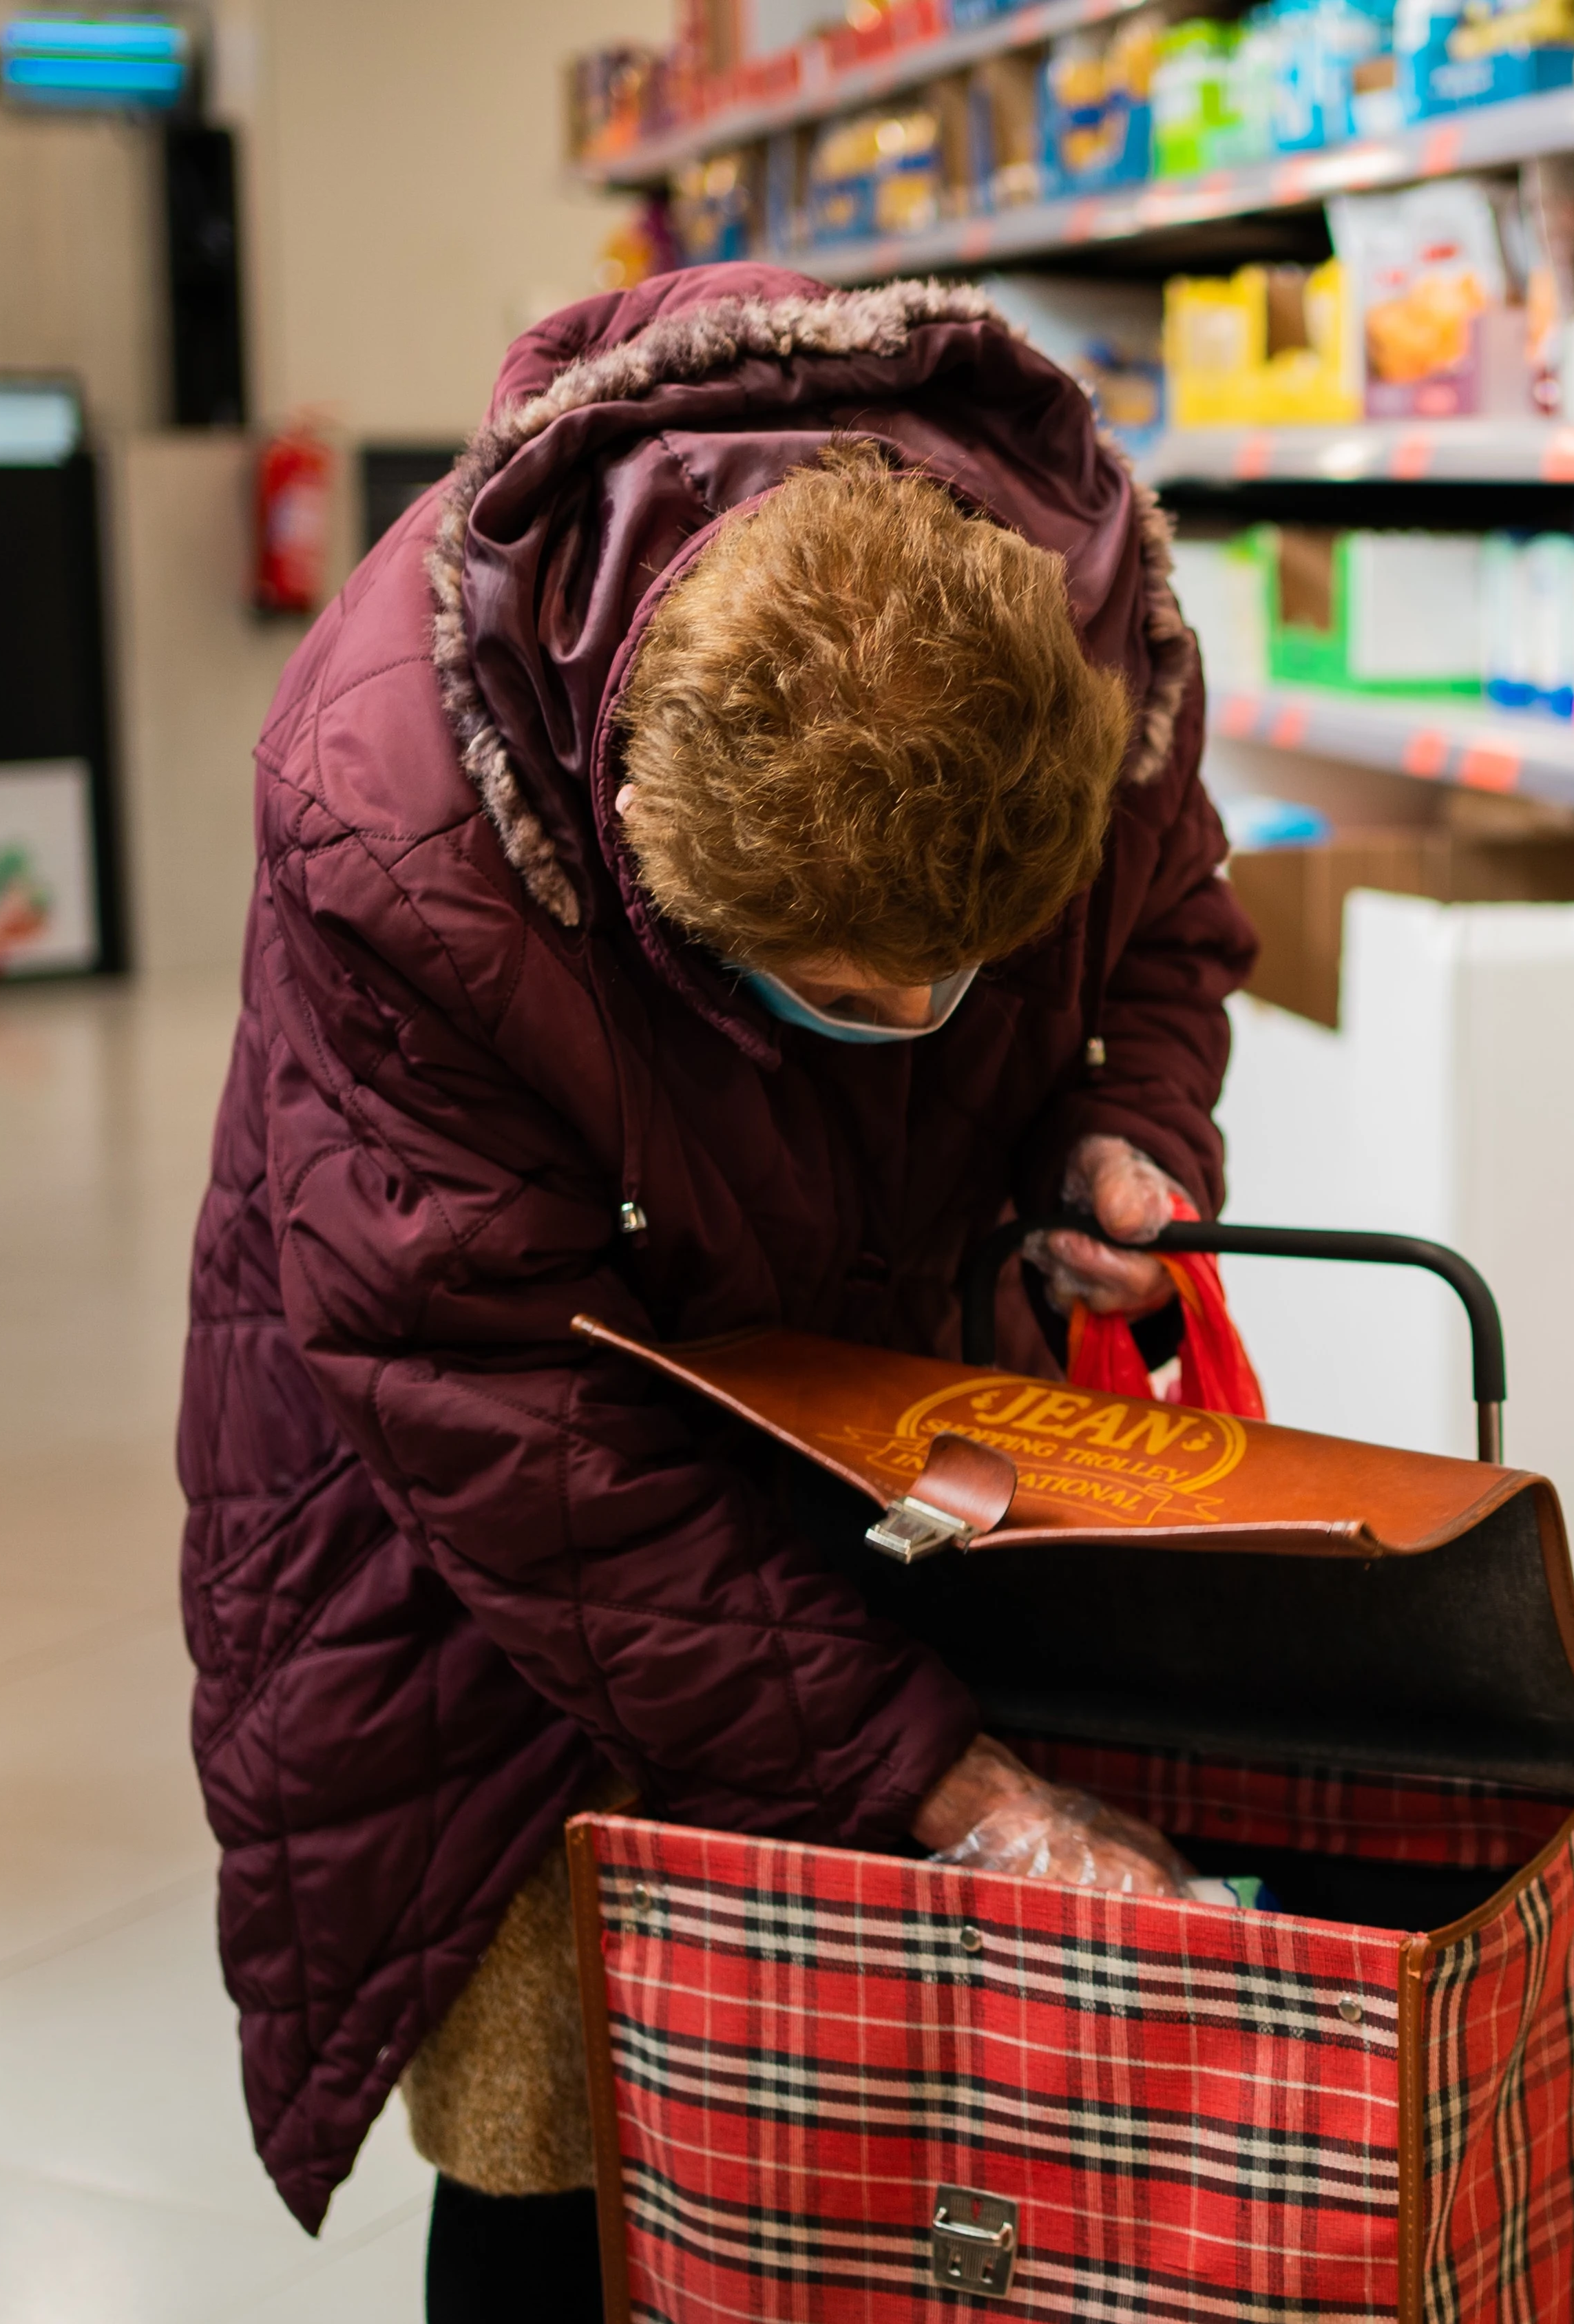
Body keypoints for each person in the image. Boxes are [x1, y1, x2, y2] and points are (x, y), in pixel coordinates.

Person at [175, 263, 1252, 2320]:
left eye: (960, 975)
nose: (921, 1020)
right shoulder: (402, 812)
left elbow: (1164, 931)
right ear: (656, 868)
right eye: (849, 998)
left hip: (894, 1420)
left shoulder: (1084, 673)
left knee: (916, 2117)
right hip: (488, 1541)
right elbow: (498, 1403)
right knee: (565, 2109)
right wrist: (933, 1776)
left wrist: (1125, 1121)